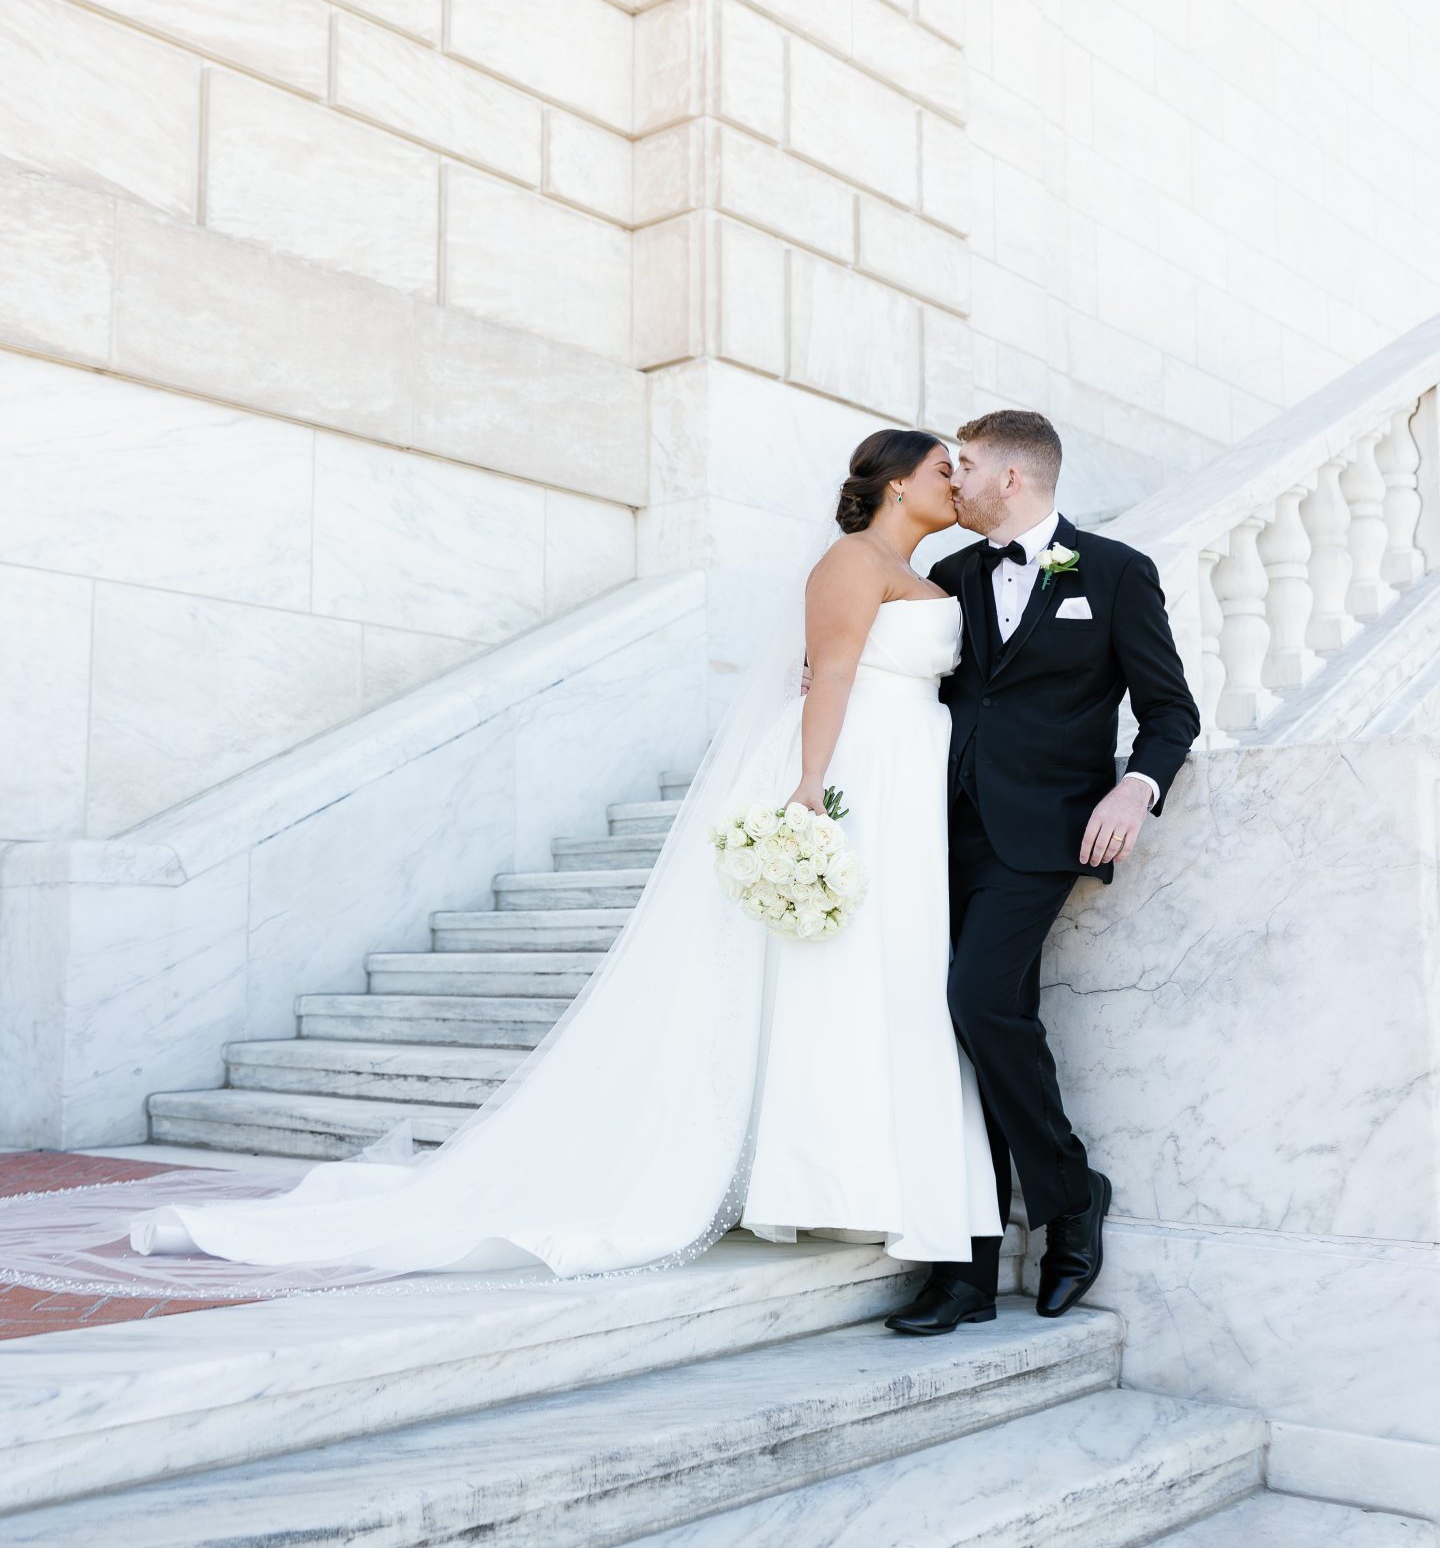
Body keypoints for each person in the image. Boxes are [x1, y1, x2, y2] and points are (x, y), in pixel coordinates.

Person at [126, 429, 1004, 1289]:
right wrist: (810, 786)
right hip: (858, 771)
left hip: (907, 773)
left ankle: (856, 1171)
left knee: (883, 969)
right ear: (896, 485)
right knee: (842, 966)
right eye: (940, 469)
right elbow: (835, 675)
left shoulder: (929, 574)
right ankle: (828, 1177)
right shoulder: (852, 561)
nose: (955, 484)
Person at [883, 410, 1201, 1337]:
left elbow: (1170, 710)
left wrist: (1136, 789)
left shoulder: (1113, 571)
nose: (955, 478)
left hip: (1044, 835)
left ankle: (1069, 1194)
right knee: (960, 1036)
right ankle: (966, 1273)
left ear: (1012, 478)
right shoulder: (947, 577)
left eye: (966, 465)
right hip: (936, 833)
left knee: (980, 1003)